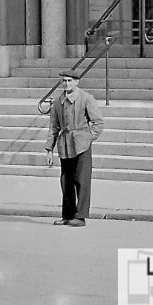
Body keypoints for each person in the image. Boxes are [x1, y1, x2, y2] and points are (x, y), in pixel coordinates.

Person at [45, 72, 105, 225]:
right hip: (64, 144)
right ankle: (67, 215)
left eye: (70, 80)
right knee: (66, 181)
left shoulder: (86, 98)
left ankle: (80, 216)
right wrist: (49, 150)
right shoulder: (58, 101)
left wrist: (87, 137)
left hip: (81, 145)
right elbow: (54, 126)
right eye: (64, 81)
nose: (66, 84)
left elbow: (98, 122)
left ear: (77, 82)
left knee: (82, 180)